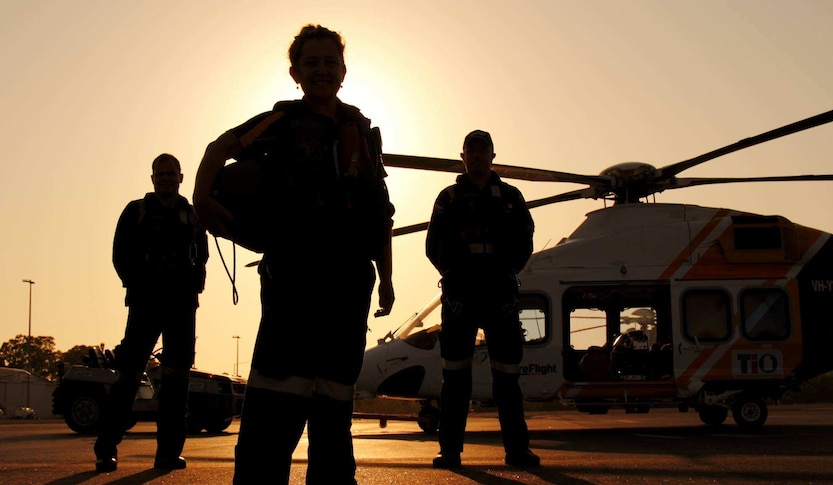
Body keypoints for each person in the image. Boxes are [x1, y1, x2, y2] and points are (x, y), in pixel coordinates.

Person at [192, 24, 395, 484]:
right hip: (293, 279)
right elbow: (217, 147)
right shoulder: (279, 122)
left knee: (334, 409)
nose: (321, 70)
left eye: (329, 63)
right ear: (295, 73)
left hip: (349, 283)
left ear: (343, 72)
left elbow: (379, 211)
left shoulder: (362, 132)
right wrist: (202, 198)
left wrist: (386, 276)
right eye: (311, 63)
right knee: (274, 401)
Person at [426, 129, 540, 469]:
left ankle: (517, 450)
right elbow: (434, 247)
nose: (476, 155)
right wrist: (453, 280)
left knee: (507, 377)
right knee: (455, 377)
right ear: (462, 157)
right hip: (460, 298)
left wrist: (507, 277)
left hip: (499, 297)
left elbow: (525, 241)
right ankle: (450, 451)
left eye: (483, 150)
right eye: (471, 150)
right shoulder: (448, 199)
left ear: (492, 155)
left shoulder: (511, 197)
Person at [94, 153, 209, 472]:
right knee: (128, 376)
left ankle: (168, 453)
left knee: (178, 380)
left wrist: (193, 286)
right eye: (160, 174)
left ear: (181, 177)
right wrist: (140, 284)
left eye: (171, 174)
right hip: (145, 305)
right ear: (153, 178)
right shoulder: (136, 211)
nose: (166, 179)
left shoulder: (192, 214)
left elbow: (202, 256)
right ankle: (106, 450)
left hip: (182, 307)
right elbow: (120, 255)